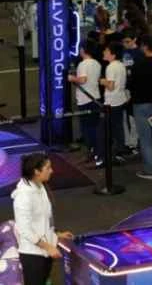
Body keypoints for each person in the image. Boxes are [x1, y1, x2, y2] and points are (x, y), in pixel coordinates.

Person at [12, 153, 74, 285]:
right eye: (48, 168)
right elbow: (25, 230)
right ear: (37, 171)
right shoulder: (23, 197)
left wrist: (56, 234)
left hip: (45, 251)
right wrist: (48, 247)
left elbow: (44, 220)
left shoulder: (40, 186)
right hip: (33, 255)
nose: (52, 171)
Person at [128, 34, 152, 180]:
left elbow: (131, 84)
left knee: (145, 139)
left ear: (145, 46)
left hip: (141, 105)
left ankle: (150, 170)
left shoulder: (138, 64)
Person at [68, 39, 102, 161]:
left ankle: (91, 151)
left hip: (85, 100)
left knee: (87, 128)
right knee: (94, 126)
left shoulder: (83, 64)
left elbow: (83, 80)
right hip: (96, 98)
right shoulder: (97, 63)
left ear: (83, 50)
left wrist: (71, 78)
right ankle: (96, 151)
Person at [97, 42, 129, 167]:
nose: (104, 52)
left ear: (113, 54)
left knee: (104, 131)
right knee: (117, 129)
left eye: (106, 50)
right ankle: (117, 153)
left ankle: (104, 158)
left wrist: (102, 81)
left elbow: (110, 86)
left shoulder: (110, 67)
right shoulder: (121, 65)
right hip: (119, 100)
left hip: (111, 102)